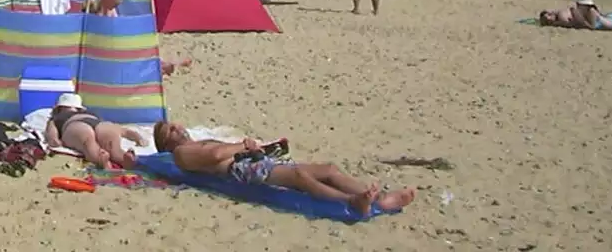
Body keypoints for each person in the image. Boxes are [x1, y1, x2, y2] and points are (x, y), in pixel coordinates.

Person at [152, 121, 415, 216]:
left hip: (250, 160)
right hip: (239, 170)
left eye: (174, 124)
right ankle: (353, 201)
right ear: (167, 143)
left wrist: (257, 148)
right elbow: (217, 155)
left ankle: (382, 199)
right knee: (300, 176)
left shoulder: (195, 141)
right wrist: (243, 146)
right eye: (170, 130)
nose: (177, 128)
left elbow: (220, 150)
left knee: (329, 169)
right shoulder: (180, 153)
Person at [44, 93, 145, 169]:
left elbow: (52, 137)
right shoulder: (91, 113)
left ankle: (100, 158)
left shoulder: (56, 118)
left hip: (74, 124)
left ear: (58, 108)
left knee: (88, 142)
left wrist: (56, 141)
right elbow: (123, 131)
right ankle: (123, 157)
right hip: (97, 122)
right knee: (113, 147)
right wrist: (138, 138)